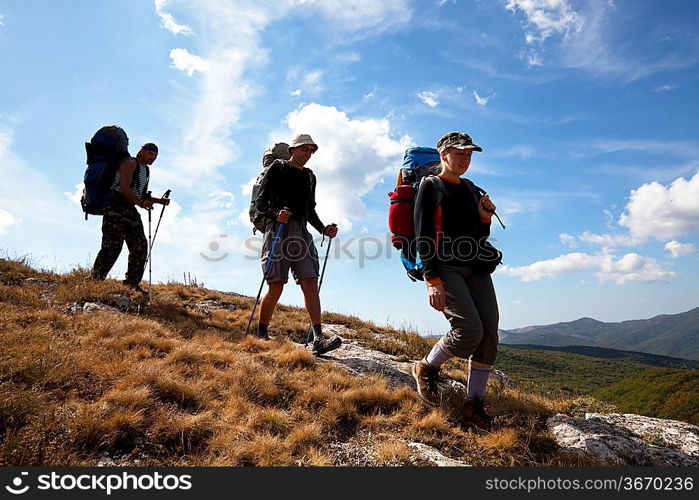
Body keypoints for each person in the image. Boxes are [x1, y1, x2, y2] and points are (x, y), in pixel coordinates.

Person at [411, 131, 501, 428]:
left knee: (489, 334)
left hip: (475, 266)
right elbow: (423, 235)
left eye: (469, 155)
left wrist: (484, 217)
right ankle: (425, 367)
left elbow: (479, 236)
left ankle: (473, 405)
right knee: (468, 330)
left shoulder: (472, 189)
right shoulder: (431, 185)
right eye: (460, 153)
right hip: (445, 266)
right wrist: (431, 280)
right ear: (444, 155)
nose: (465, 159)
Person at [254, 133, 341, 355]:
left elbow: (309, 209)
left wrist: (323, 229)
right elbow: (261, 202)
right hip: (278, 229)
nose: (308, 154)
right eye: (304, 149)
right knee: (277, 283)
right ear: (293, 149)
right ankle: (261, 332)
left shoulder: (310, 177)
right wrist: (276, 214)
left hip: (301, 230)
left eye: (311, 151)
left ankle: (318, 338)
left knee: (310, 280)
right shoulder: (277, 169)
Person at [91, 142, 170, 291]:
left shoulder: (145, 170)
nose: (153, 158)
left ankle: (132, 284)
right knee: (112, 246)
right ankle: (94, 280)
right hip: (114, 206)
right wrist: (140, 203)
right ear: (141, 151)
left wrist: (159, 201)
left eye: (155, 156)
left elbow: (139, 193)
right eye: (150, 154)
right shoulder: (130, 163)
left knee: (140, 245)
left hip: (129, 209)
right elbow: (124, 187)